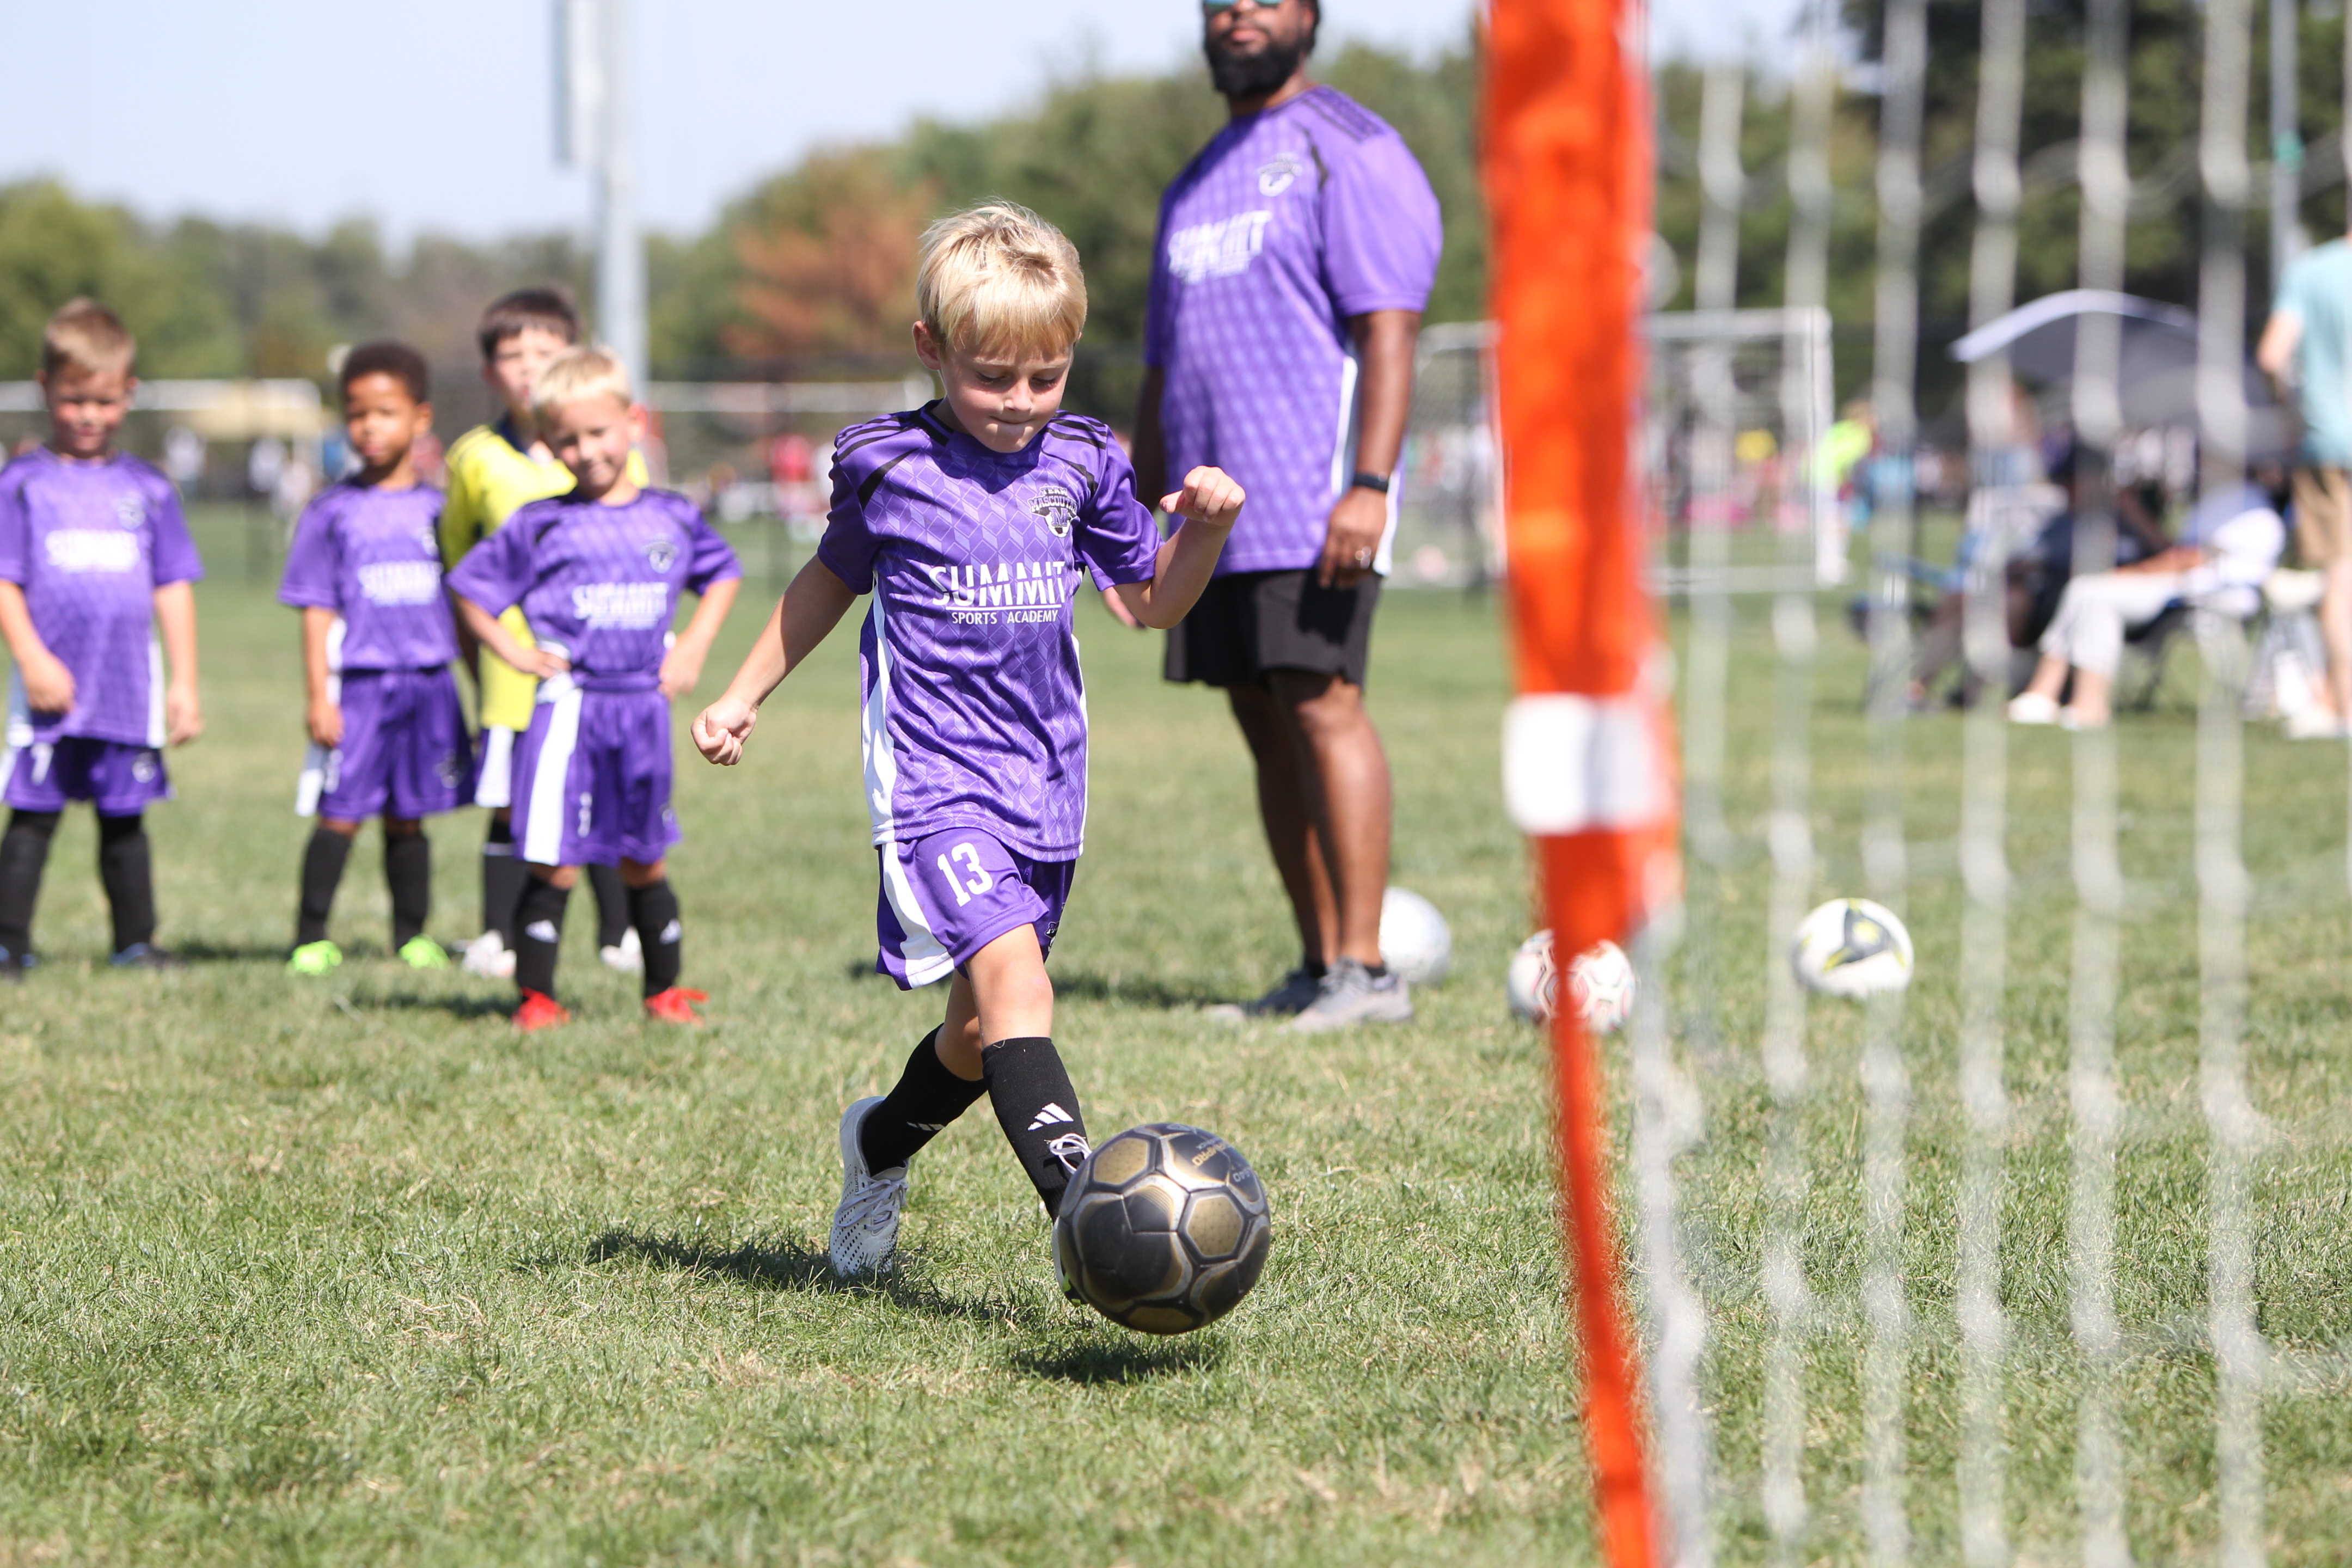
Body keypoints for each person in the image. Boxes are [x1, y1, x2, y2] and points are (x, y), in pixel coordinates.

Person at [690, 204, 1244, 1276]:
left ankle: (878, 1143)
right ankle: (1090, 1222)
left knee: (981, 1035)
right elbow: (829, 581)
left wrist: (1206, 532)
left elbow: (1151, 604)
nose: (1022, 402)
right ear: (931, 350)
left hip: (1047, 783)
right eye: (994, 378)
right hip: (934, 783)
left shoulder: (1084, 459)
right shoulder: (888, 463)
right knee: (1020, 990)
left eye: (1046, 376)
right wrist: (743, 695)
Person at [1133, 0, 1442, 1031]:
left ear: (1310, 16)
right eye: (1222, 3)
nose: (1240, 16)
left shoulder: (1349, 146)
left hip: (1313, 500)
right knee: (1260, 717)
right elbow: (1161, 365)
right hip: (1211, 518)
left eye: (1265, 0)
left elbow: (1389, 329)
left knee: (1321, 702)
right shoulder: (1193, 180)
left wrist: (1371, 485)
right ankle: (1317, 967)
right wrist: (1136, 516)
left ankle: (1369, 972)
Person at [447, 346, 741, 1030]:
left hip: (643, 708)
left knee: (644, 857)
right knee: (557, 860)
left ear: (633, 423)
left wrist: (693, 646)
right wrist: (512, 651)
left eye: (598, 432)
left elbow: (723, 574)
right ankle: (537, 998)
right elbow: (467, 587)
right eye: (567, 439)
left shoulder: (671, 516)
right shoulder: (540, 524)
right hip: (570, 710)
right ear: (549, 445)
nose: (586, 451)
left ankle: (664, 992)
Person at [439, 289, 648, 977]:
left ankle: (619, 933)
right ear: (489, 372)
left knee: (606, 793)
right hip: (515, 670)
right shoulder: (474, 456)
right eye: (513, 355)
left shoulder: (616, 452)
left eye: (545, 351)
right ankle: (499, 937)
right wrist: (484, 655)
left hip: (603, 673)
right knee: (513, 802)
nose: (529, 366)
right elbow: (457, 560)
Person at [0, 299, 203, 974]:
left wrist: (184, 682)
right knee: (32, 817)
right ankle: (8, 944)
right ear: (45, 388)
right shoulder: (22, 485)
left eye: (105, 401)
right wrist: (32, 659)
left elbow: (173, 585)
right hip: (50, 691)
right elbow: (5, 581)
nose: (89, 415)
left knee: (125, 818)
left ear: (129, 394)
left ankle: (135, 943)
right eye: (74, 399)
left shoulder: (149, 489)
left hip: (126, 690)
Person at [278, 341, 473, 975]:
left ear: (421, 418)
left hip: (429, 685)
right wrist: (319, 695)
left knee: (409, 817)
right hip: (360, 687)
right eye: (357, 414)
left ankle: (412, 935)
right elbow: (316, 608)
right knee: (341, 815)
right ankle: (311, 937)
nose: (369, 427)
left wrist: (476, 686)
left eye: (385, 413)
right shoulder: (330, 511)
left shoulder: (442, 510)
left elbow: (466, 607)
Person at [2007, 471, 2286, 730]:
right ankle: (2043, 694)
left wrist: (2131, 573)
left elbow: (2193, 558)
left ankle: (2090, 704)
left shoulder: (2246, 502)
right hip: (2179, 588)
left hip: (2201, 595)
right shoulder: (2216, 497)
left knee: (2096, 594)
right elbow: (2177, 551)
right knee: (2084, 588)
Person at [2259, 235, 2352, 738]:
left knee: (2341, 577)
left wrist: (2290, 413)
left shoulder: (2311, 271)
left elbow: (2272, 356)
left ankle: (2345, 707)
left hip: (2328, 443)